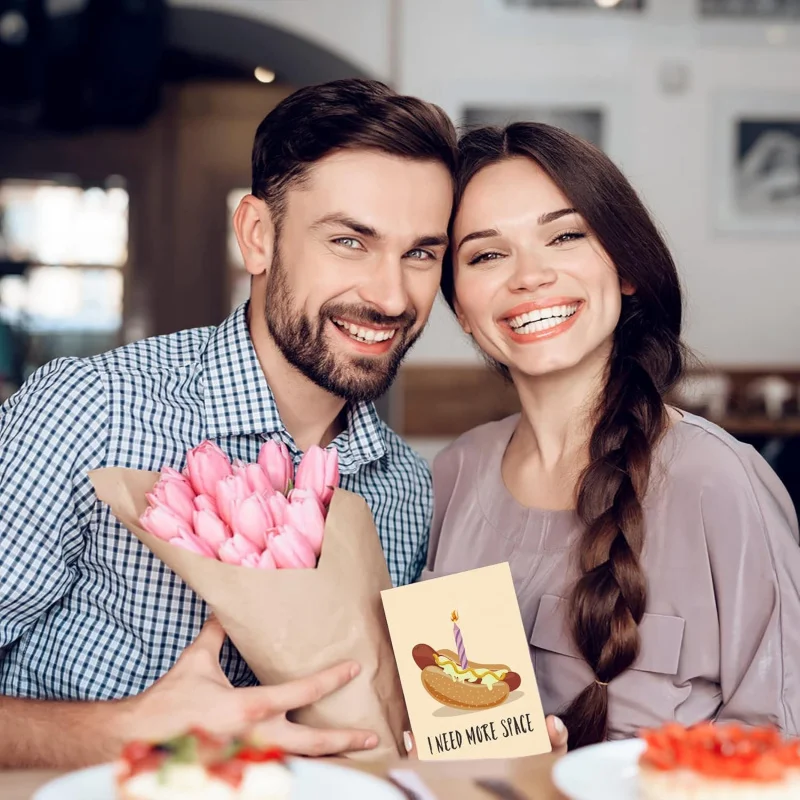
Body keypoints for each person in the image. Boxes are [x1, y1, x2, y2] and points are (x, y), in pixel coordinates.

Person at [0, 79, 458, 768]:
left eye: (421, 253)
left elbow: (397, 722)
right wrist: (127, 730)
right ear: (257, 236)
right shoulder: (90, 410)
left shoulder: (405, 485)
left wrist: (481, 739)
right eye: (348, 241)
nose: (392, 295)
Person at [425, 122, 800, 750]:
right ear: (460, 306)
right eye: (487, 254)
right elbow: (469, 740)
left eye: (566, 236)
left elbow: (782, 750)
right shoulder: (452, 475)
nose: (529, 276)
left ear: (626, 267)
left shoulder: (719, 482)